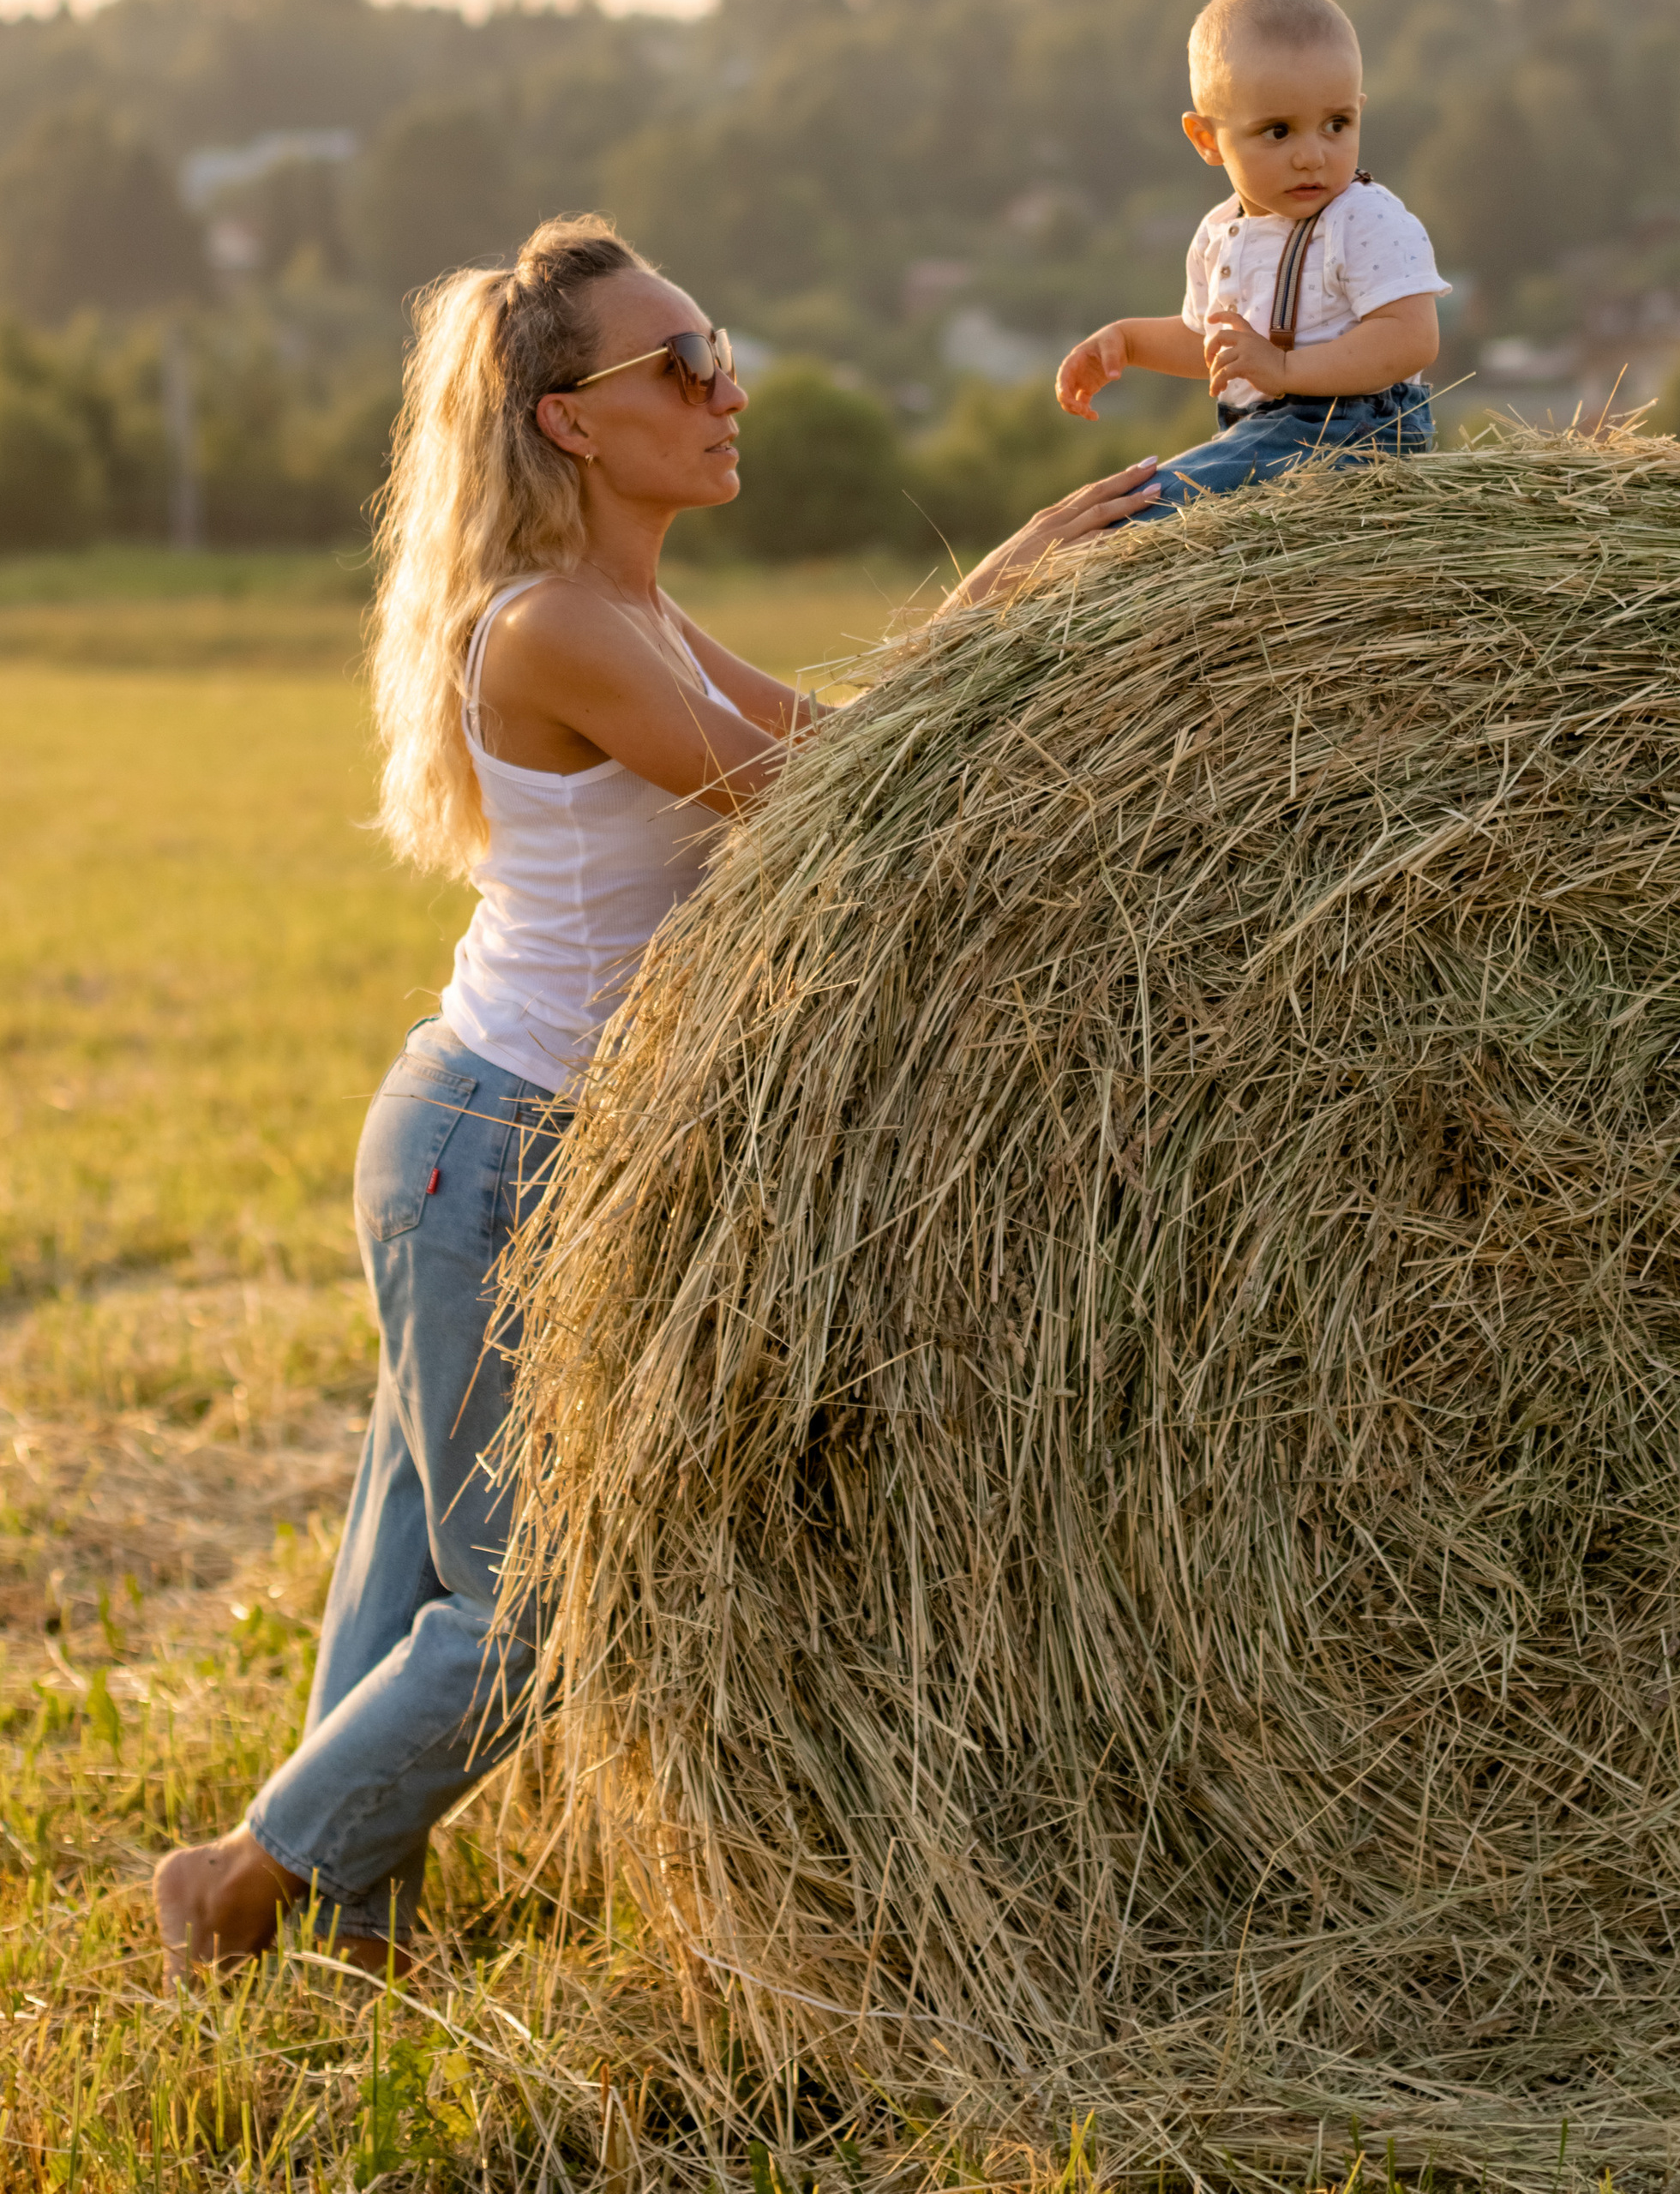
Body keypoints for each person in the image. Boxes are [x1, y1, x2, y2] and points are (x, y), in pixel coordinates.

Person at [152, 214, 1159, 1980]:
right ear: (570, 422)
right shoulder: (550, 628)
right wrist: (994, 606)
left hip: (495, 1138)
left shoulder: (629, 610)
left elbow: (837, 740)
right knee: (530, 1607)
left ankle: (336, 1919)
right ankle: (236, 1881)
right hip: (490, 1150)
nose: (725, 388)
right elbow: (824, 793)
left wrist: (987, 608)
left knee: (416, 1564)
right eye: (677, 364)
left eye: (720, 347)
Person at [1055, 0, 1449, 508]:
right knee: (1126, 502)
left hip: (1354, 436)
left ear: (1359, 109)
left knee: (1154, 507)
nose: (1312, 155)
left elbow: (1410, 339)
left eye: (1336, 124)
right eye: (1279, 132)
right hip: (1265, 436)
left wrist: (1285, 371)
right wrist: (1127, 342)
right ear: (1206, 139)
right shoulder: (1220, 232)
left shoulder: (1363, 218)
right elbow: (1220, 349)